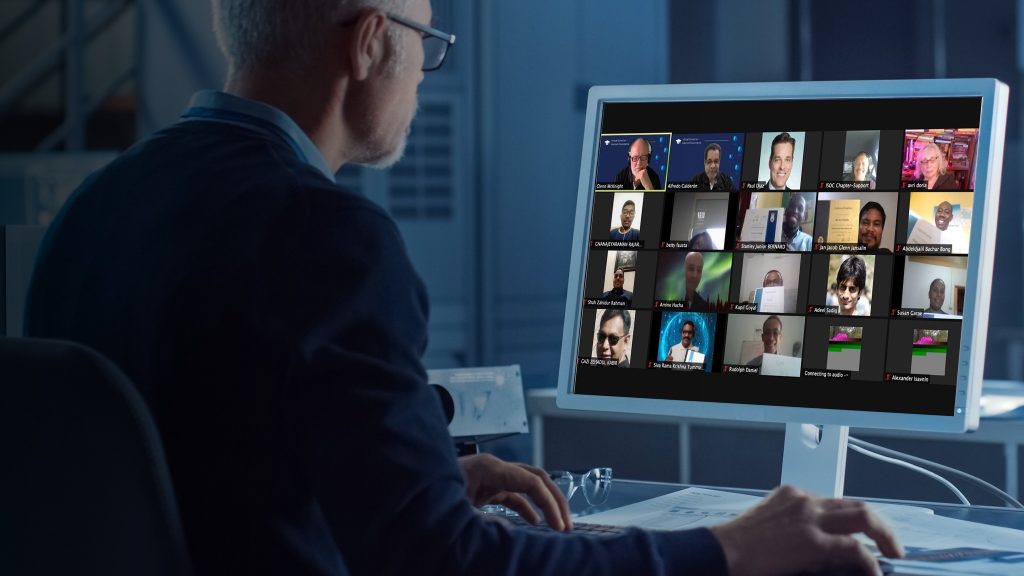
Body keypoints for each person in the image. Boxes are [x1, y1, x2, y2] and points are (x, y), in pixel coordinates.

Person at [23, 0, 903, 574]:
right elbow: (448, 566)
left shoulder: (97, 208)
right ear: (371, 44)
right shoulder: (325, 237)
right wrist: (730, 549)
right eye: (424, 44)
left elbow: (202, 458)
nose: (422, 71)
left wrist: (423, 468)